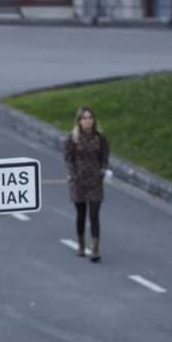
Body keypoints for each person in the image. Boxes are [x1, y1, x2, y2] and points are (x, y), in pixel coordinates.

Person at [64, 106, 110, 263]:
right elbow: (68, 158)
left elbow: (105, 156)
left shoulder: (100, 137)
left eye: (90, 117)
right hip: (78, 182)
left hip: (95, 181)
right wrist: (72, 174)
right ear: (79, 121)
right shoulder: (72, 138)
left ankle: (95, 248)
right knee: (81, 215)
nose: (88, 120)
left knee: (94, 215)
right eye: (84, 118)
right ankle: (81, 244)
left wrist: (103, 170)